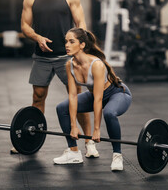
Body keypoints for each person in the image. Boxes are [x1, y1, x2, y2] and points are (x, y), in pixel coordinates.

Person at [18, 0, 98, 158]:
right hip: (42, 57)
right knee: (38, 97)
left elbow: (81, 23)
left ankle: (89, 142)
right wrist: (37, 37)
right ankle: (33, 140)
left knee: (77, 99)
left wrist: (80, 50)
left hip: (67, 58)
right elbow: (25, 26)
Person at [54, 28, 132, 171]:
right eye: (66, 41)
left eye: (72, 42)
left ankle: (117, 155)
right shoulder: (69, 65)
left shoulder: (96, 64)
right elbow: (72, 96)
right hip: (95, 95)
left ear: (82, 45)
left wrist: (96, 130)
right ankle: (73, 152)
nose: (67, 45)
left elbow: (98, 98)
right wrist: (73, 126)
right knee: (61, 108)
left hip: (117, 93)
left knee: (109, 113)